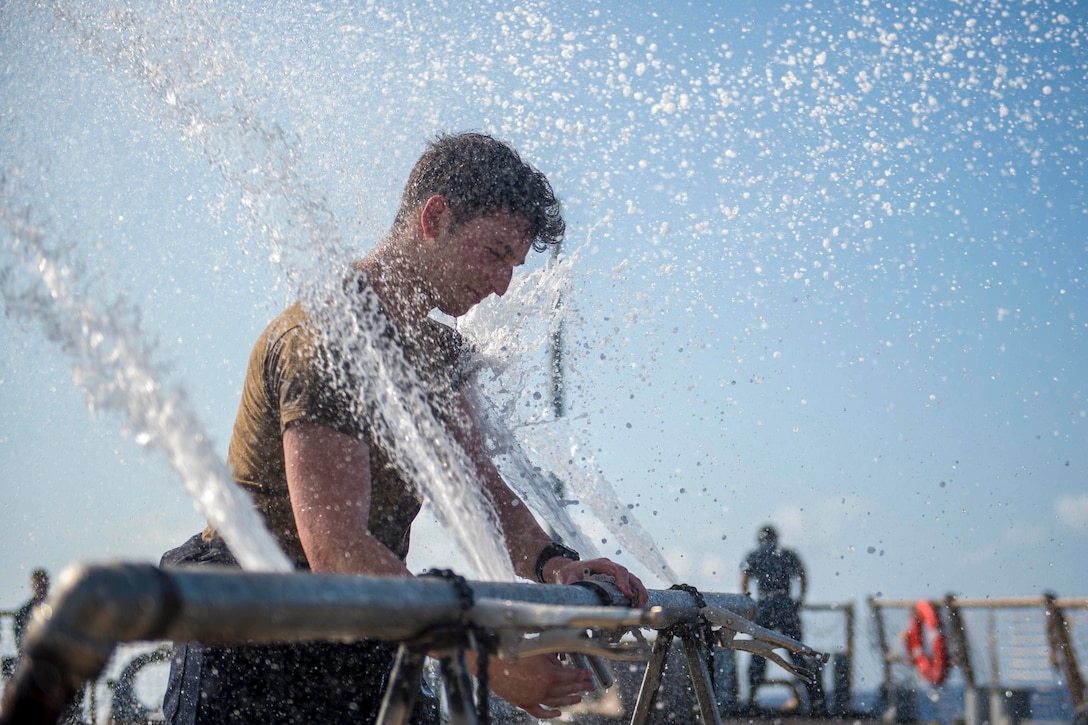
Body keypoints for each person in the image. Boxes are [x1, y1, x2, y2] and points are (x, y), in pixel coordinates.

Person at [160, 132, 648, 724]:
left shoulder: (443, 355)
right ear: (435, 218)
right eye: (496, 253)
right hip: (251, 631)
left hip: (366, 622)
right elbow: (337, 547)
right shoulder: (327, 337)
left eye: (515, 266)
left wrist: (557, 563)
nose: (503, 285)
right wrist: (484, 657)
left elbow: (484, 490)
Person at [740, 525, 826, 715]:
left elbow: (744, 577)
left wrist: (748, 600)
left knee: (759, 652)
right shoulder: (787, 555)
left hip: (765, 605)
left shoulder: (755, 555)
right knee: (796, 652)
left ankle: (752, 699)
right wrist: (799, 601)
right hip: (785, 605)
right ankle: (815, 701)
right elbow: (802, 577)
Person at [12, 568, 49, 653]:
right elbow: (20, 642)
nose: (41, 587)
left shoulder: (54, 608)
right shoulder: (23, 612)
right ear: (33, 586)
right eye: (39, 584)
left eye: (44, 584)